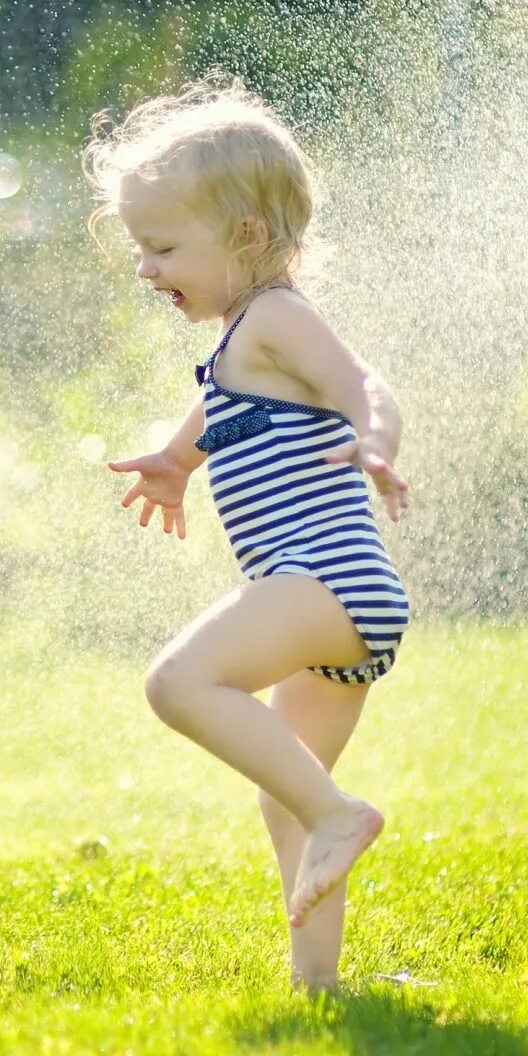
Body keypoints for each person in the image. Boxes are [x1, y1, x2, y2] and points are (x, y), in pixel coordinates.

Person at [90, 76, 410, 992]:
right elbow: (210, 419)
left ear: (247, 237)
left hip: (325, 580)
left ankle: (343, 816)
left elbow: (366, 387)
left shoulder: (275, 316)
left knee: (178, 681)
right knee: (287, 798)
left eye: (161, 247)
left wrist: (375, 442)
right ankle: (321, 983)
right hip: (337, 601)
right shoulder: (238, 343)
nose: (146, 268)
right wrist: (169, 462)